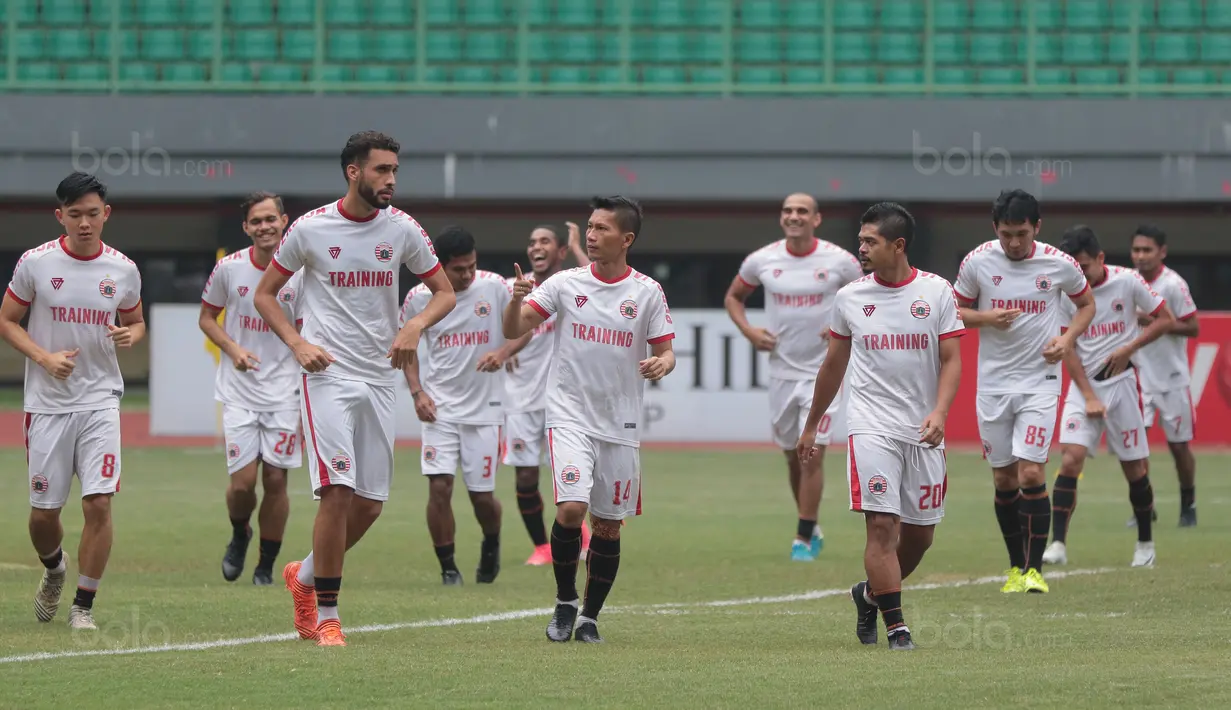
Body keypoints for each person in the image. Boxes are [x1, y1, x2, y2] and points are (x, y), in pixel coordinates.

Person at [254, 131, 456, 647]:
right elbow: (266, 295)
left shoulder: (404, 229)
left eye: (394, 171)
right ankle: (328, 616)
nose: (390, 180)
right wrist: (298, 343)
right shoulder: (310, 229)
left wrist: (413, 327)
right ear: (353, 171)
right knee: (337, 492)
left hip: (380, 376)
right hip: (327, 375)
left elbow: (444, 293)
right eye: (381, 170)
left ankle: (301, 576)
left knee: (369, 505)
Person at [503, 195, 675, 644]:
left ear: (627, 238)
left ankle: (590, 617)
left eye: (601, 229)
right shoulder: (565, 284)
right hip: (569, 415)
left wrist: (663, 364)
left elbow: (666, 350)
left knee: (608, 525)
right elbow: (513, 328)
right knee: (571, 509)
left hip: (620, 424)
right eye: (590, 227)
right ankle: (564, 602)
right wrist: (514, 300)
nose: (592, 235)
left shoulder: (647, 292)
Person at [797, 201, 964, 651]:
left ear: (899, 245)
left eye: (871, 241)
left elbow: (952, 359)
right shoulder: (850, 297)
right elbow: (833, 365)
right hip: (870, 426)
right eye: (860, 241)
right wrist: (812, 424)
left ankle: (869, 595)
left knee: (920, 537)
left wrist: (941, 413)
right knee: (881, 527)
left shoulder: (937, 292)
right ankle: (898, 629)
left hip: (924, 430)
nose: (862, 249)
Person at [0, 172, 144, 630]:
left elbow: (137, 321)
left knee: (98, 505)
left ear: (107, 215)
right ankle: (54, 568)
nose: (85, 223)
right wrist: (43, 358)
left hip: (101, 400)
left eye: (93, 214)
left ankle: (83, 605)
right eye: (75, 214)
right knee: (44, 515)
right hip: (47, 405)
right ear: (60, 216)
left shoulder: (123, 269)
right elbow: (7, 321)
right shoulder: (35, 263)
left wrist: (130, 333)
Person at [953, 189, 1096, 594]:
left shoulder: (1059, 263)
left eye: (1020, 233)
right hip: (994, 385)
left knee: (1031, 470)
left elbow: (1086, 305)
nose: (1013, 243)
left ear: (1037, 227)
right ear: (994, 229)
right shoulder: (978, 261)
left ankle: (1035, 571)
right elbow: (953, 308)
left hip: (1040, 383)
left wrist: (1066, 341)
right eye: (1005, 234)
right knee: (1003, 480)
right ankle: (1015, 568)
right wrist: (985, 317)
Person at [724, 193, 862, 561]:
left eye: (802, 211)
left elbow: (867, 296)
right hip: (782, 372)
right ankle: (812, 523)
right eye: (788, 211)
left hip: (824, 373)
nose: (794, 216)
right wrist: (750, 332)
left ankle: (802, 536)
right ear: (781, 218)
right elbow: (734, 297)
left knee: (811, 454)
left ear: (817, 219)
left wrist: (840, 324)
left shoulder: (840, 261)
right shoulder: (763, 260)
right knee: (792, 455)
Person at [1042, 226, 1173, 568]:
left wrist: (1129, 347)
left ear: (1100, 259)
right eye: (1073, 269)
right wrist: (1087, 396)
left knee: (1134, 468)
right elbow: (1067, 347)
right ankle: (1057, 544)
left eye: (1083, 268)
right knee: (1071, 458)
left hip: (1123, 384)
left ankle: (1145, 543)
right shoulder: (1065, 294)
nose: (1078, 276)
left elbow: (1165, 319)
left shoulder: (1127, 281)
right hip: (1083, 386)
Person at [402, 226, 519, 585]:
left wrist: (502, 352)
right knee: (439, 488)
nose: (467, 275)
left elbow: (526, 327)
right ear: (440, 266)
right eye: (458, 270)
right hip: (440, 409)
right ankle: (448, 567)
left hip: (485, 410)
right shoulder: (419, 298)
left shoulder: (495, 287)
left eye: (471, 266)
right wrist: (418, 393)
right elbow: (406, 350)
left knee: (482, 497)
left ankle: (491, 541)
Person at [199, 192, 304, 586]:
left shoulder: (302, 270)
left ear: (284, 221)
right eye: (256, 221)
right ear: (246, 228)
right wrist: (233, 349)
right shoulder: (229, 268)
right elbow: (207, 318)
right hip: (239, 390)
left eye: (270, 219)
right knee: (243, 485)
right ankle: (240, 532)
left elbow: (311, 323)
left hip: (285, 392)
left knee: (276, 480)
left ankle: (265, 565)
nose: (264, 227)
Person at [503, 223, 594, 565]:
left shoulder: (575, 283)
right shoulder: (514, 286)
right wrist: (504, 351)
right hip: (522, 397)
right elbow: (504, 327)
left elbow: (597, 278)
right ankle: (542, 546)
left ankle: (583, 533)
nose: (536, 247)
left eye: (545, 241)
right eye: (532, 241)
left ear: (560, 251)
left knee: (570, 474)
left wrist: (576, 245)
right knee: (526, 477)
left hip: (565, 397)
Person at [1131, 224, 1200, 527]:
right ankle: (1144, 508)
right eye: (1136, 250)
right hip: (1138, 377)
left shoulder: (1173, 284)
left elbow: (1193, 327)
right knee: (1135, 446)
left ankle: (1189, 503)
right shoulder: (1129, 282)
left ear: (1162, 252)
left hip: (1172, 378)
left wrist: (1155, 321)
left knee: (1178, 446)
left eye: (1147, 250)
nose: (1141, 256)